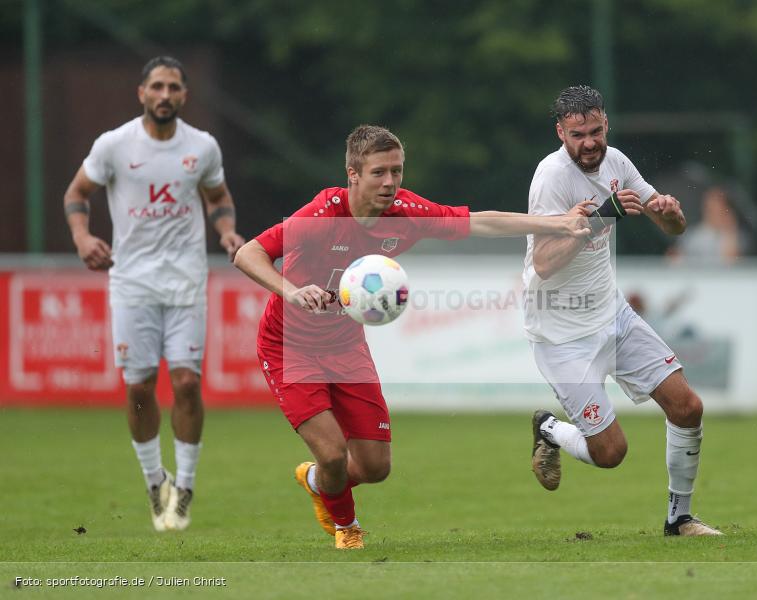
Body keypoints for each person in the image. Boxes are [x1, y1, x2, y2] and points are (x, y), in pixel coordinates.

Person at [233, 124, 591, 549]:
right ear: (353, 174)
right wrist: (291, 292)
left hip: (345, 345)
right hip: (290, 346)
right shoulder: (323, 216)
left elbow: (481, 222)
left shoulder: (407, 213)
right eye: (378, 173)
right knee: (332, 452)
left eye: (397, 171)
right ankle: (348, 528)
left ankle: (316, 481)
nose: (390, 182)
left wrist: (558, 224)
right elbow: (247, 252)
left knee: (375, 467)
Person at [525, 85, 722, 536]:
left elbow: (673, 227)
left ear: (606, 124)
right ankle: (550, 428)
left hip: (612, 316)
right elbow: (544, 263)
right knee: (611, 453)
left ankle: (679, 519)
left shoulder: (617, 162)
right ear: (560, 133)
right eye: (578, 135)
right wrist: (600, 217)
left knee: (687, 407)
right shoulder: (551, 177)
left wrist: (668, 211)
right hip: (561, 334)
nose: (589, 143)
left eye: (595, 131)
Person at [63, 56, 244, 532]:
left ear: (184, 95)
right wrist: (82, 238)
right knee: (140, 386)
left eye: (174, 87)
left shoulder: (202, 147)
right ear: (141, 92)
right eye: (157, 86)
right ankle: (153, 481)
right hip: (132, 282)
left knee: (185, 382)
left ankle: (184, 487)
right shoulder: (114, 145)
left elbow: (218, 198)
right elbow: (76, 194)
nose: (165, 95)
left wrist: (226, 232)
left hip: (186, 280)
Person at [666, 186, 745, 265]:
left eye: (718, 207)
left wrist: (730, 229)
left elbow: (731, 264)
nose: (713, 212)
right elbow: (675, 260)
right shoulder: (692, 234)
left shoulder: (737, 236)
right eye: (710, 208)